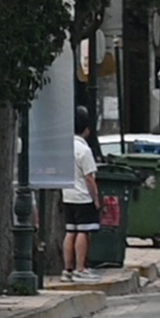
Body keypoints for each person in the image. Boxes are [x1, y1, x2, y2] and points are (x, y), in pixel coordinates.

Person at [62, 106, 102, 282]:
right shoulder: (84, 151)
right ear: (87, 130)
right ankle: (81, 268)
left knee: (70, 231)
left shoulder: (65, 148)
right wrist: (96, 198)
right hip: (83, 196)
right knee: (83, 232)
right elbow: (89, 177)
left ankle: (67, 269)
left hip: (67, 195)